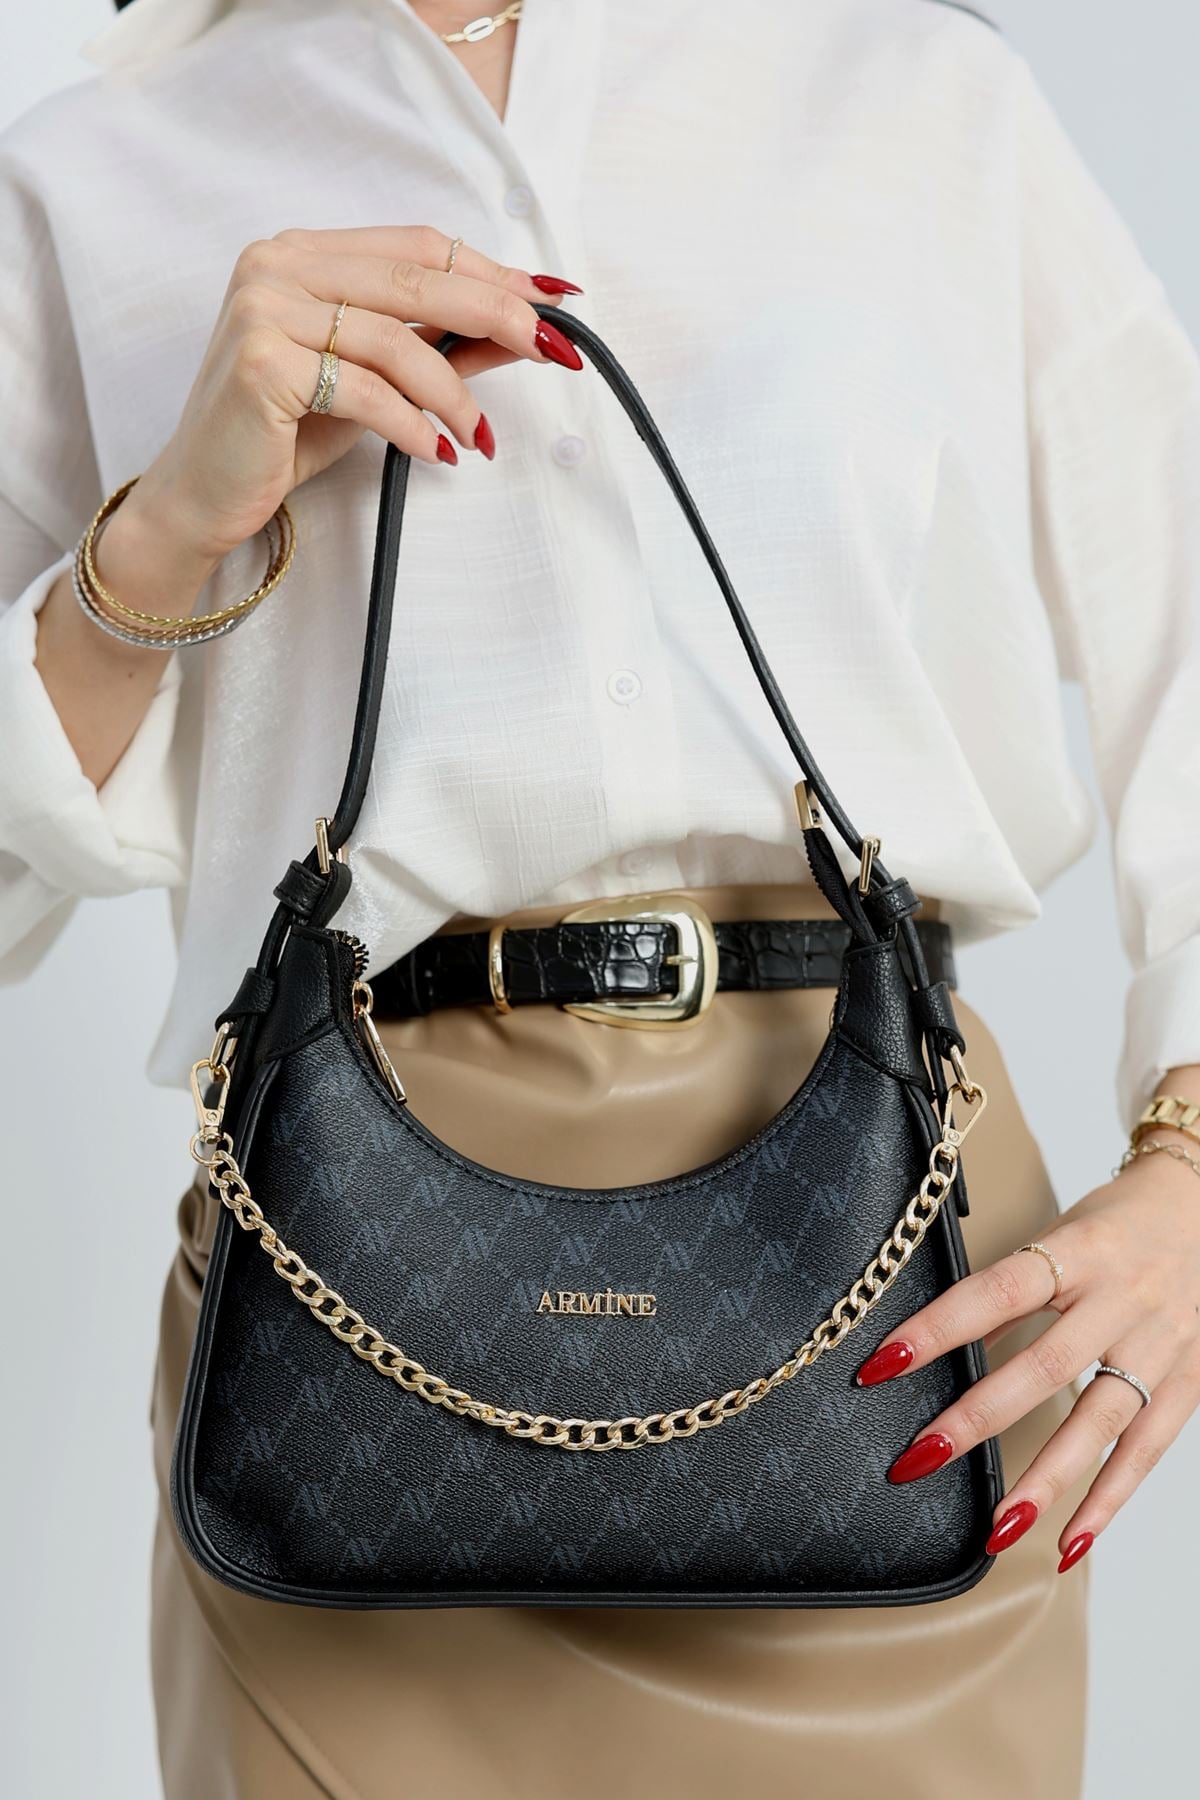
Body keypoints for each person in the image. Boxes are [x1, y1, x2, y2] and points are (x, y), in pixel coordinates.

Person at [2, 2, 1197, 1795]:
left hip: (881, 1294)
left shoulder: (915, 86)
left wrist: (1193, 1167)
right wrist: (166, 530)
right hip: (346, 1316)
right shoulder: (99, 169)